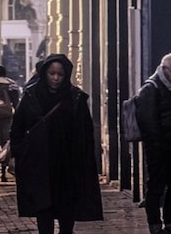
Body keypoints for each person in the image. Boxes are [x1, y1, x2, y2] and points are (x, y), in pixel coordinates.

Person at [10, 54, 102, 234]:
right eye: (52, 73)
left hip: (68, 166)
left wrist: (85, 163)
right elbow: (18, 128)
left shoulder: (75, 98)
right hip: (40, 164)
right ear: (45, 73)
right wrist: (21, 153)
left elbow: (86, 133)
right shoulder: (31, 96)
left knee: (67, 211)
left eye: (60, 74)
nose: (56, 78)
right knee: (44, 210)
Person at [136, 53, 171, 234]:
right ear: (165, 68)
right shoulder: (150, 89)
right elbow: (148, 121)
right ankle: (155, 225)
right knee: (156, 187)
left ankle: (170, 222)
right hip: (158, 148)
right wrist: (158, 145)